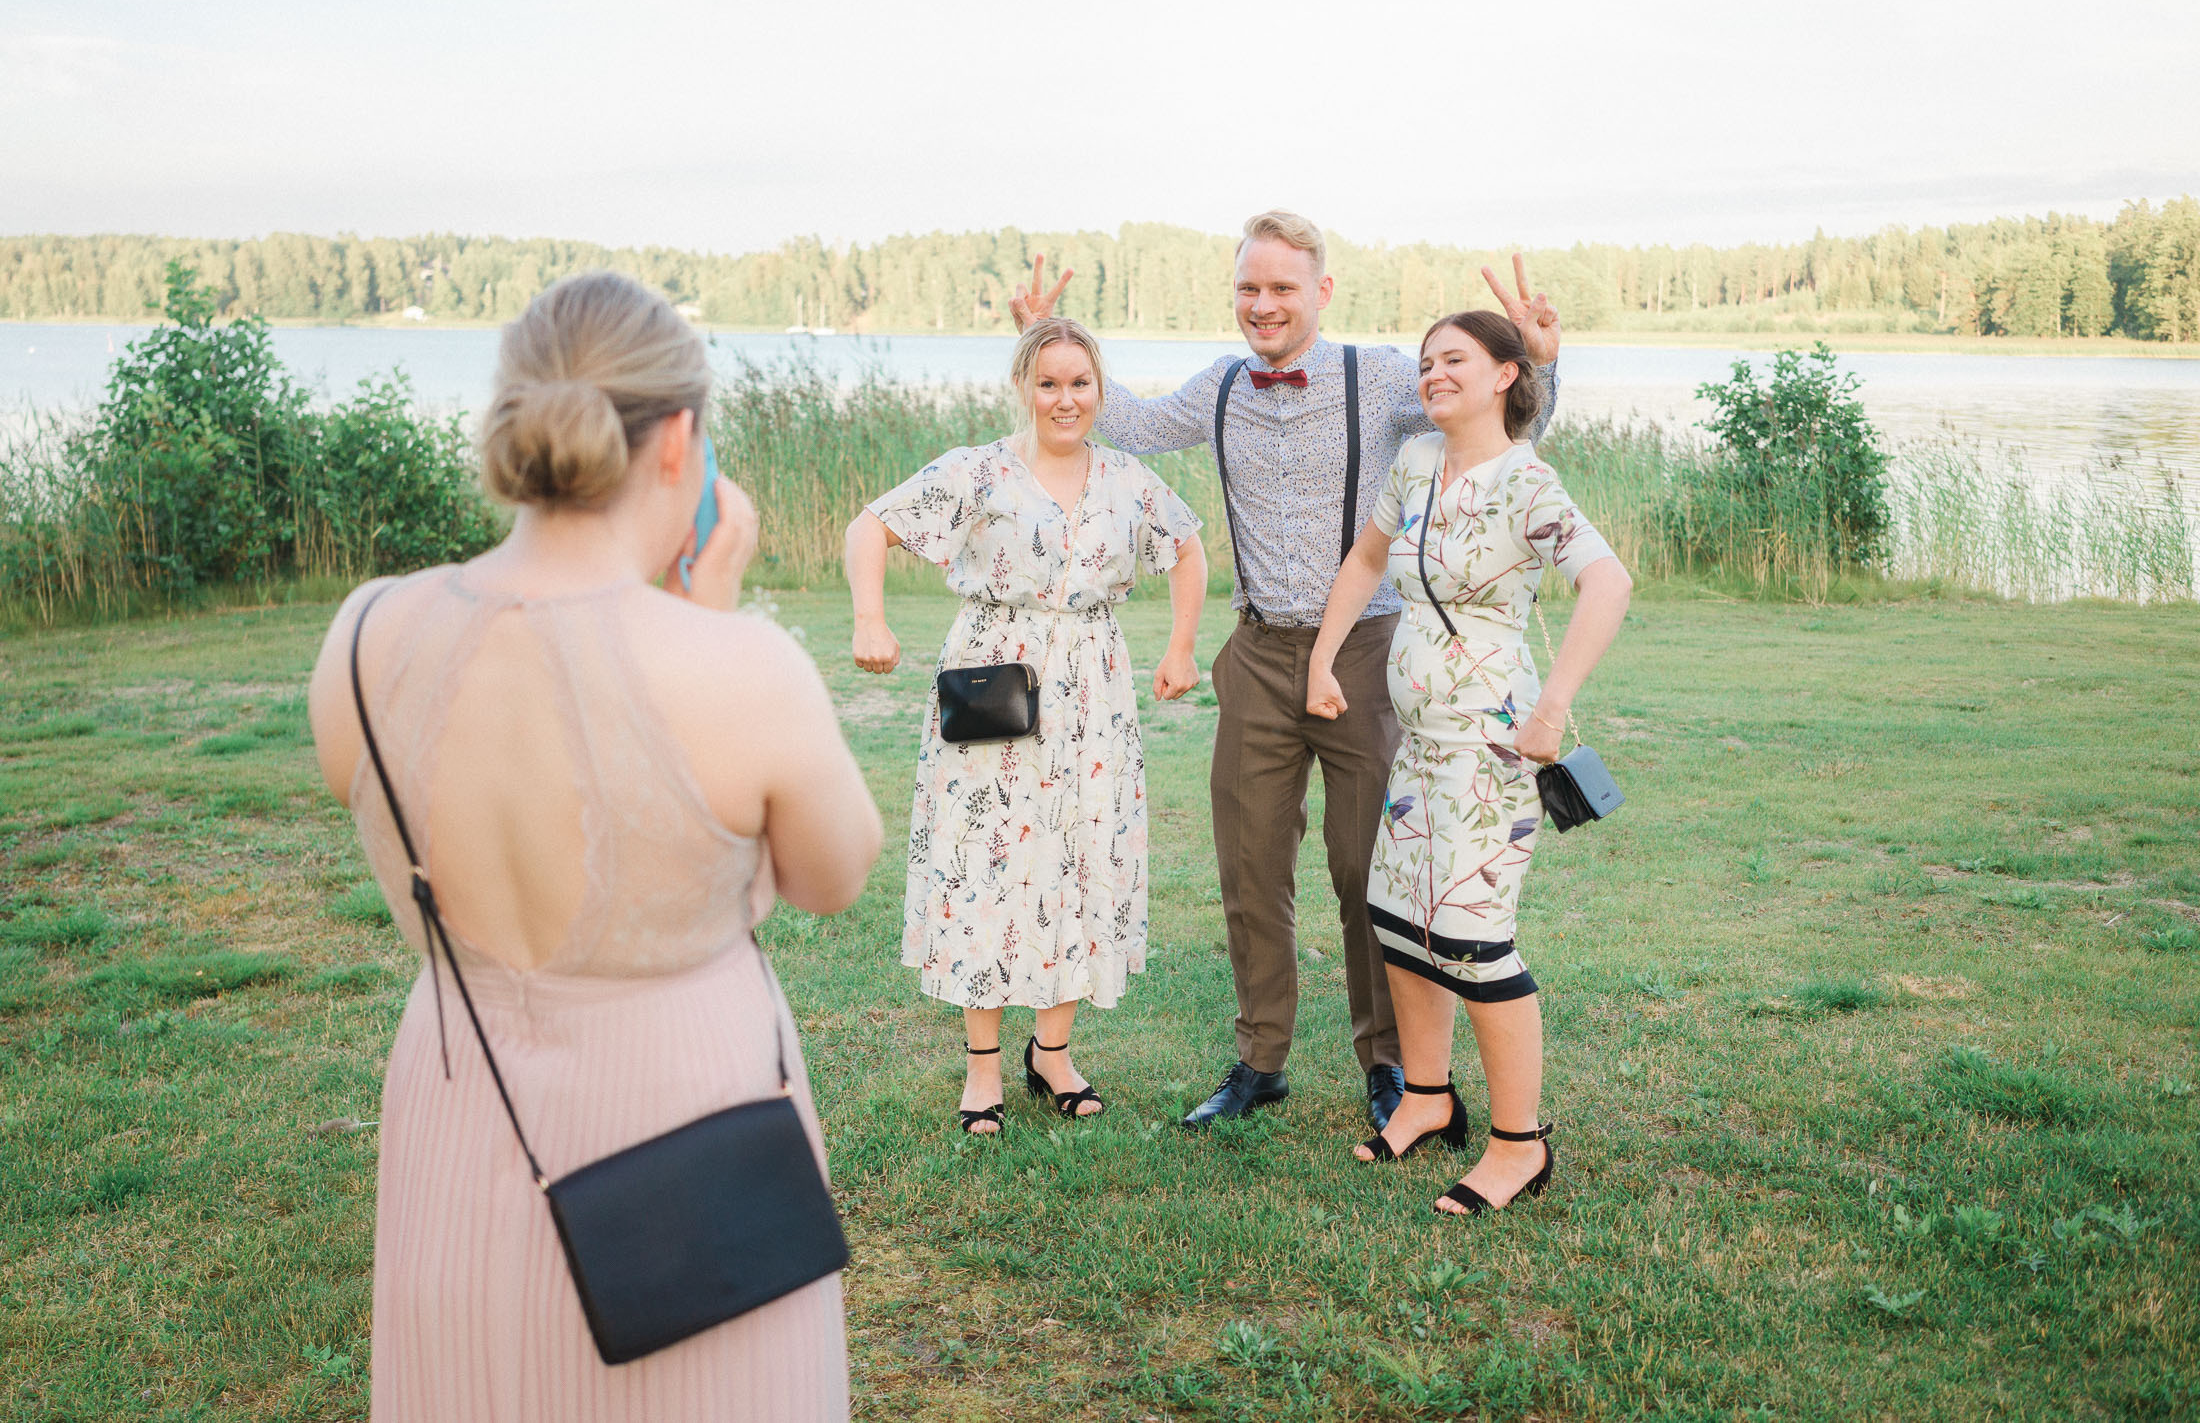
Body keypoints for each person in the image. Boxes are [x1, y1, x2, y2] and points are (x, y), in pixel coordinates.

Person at [305, 271, 882, 1420]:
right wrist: (711, 612)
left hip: (463, 1105)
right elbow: (833, 877)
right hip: (688, 1123)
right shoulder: (738, 668)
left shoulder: (363, 632)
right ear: (680, 442)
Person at [1010, 212, 1563, 1132]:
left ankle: (1395, 1069)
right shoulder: (1222, 384)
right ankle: (1260, 1061)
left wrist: (1542, 362)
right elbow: (1134, 423)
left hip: (1367, 653)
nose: (1263, 305)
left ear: (1321, 293)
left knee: (1365, 869)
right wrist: (1041, 340)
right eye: (1248, 289)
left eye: (1281, 289)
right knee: (1250, 867)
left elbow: (1497, 430)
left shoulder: (1379, 373)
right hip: (1260, 654)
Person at [844, 316, 1206, 1134]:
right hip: (995, 679)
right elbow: (871, 526)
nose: (1065, 398)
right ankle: (981, 1069)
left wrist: (1182, 643)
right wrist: (870, 617)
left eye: (1080, 382)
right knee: (988, 861)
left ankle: (1053, 1053)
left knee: (1079, 854)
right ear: (1023, 387)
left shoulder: (1126, 480)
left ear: (1100, 389)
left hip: (1093, 693)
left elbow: (1187, 547)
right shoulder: (978, 471)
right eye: (1049, 382)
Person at [1305, 308, 1631, 1214]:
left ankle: (1519, 1146)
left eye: (1455, 359)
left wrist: (1555, 703)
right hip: (1418, 746)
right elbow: (1367, 557)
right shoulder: (1415, 463)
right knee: (1399, 919)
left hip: (1491, 749)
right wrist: (1324, 658)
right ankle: (1426, 1096)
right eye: (1425, 362)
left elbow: (1609, 581)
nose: (1433, 373)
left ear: (1505, 375)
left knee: (1475, 940)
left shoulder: (1528, 484)